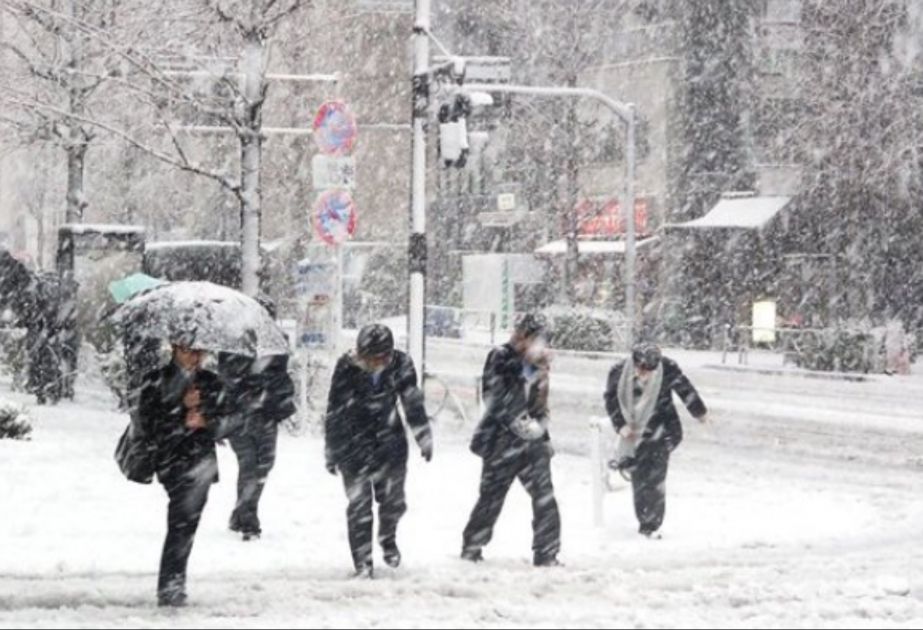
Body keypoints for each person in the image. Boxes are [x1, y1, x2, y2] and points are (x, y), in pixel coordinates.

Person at [324, 324, 433, 578]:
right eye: (368, 357)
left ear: (389, 355)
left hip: (389, 443)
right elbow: (334, 410)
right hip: (353, 444)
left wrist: (423, 436)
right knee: (359, 505)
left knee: (393, 502)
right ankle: (363, 563)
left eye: (379, 358)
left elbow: (412, 403)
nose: (373, 363)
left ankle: (387, 536)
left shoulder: (401, 365)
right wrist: (331, 449)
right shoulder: (346, 367)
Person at [461, 314, 562, 567]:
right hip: (501, 442)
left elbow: (540, 406)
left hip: (533, 444)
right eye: (539, 341)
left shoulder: (540, 366)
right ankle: (472, 547)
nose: (542, 348)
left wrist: (542, 434)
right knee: (491, 498)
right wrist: (520, 423)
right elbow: (494, 397)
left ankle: (547, 553)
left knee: (545, 498)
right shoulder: (501, 357)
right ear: (523, 337)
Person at [136, 339, 228, 607]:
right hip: (172, 460)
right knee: (181, 522)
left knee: (186, 525)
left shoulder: (211, 381)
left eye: (200, 351)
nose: (194, 357)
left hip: (201, 462)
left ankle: (173, 582)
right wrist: (180, 408)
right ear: (175, 349)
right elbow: (149, 423)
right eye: (188, 351)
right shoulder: (156, 380)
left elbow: (228, 421)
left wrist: (206, 419)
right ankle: (171, 585)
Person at [604, 342, 709, 539]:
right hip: (634, 434)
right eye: (641, 368)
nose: (645, 373)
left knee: (655, 478)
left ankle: (651, 524)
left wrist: (699, 412)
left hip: (662, 430)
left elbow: (685, 389)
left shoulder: (667, 367)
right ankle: (645, 520)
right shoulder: (618, 372)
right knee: (640, 479)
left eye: (650, 369)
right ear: (634, 362)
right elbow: (611, 400)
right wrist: (621, 425)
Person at [221, 352, 296, 540]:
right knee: (249, 466)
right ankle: (249, 522)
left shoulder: (275, 351)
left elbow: (283, 382)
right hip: (240, 418)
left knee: (264, 466)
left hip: (266, 418)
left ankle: (240, 514)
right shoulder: (233, 350)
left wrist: (268, 389)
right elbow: (226, 382)